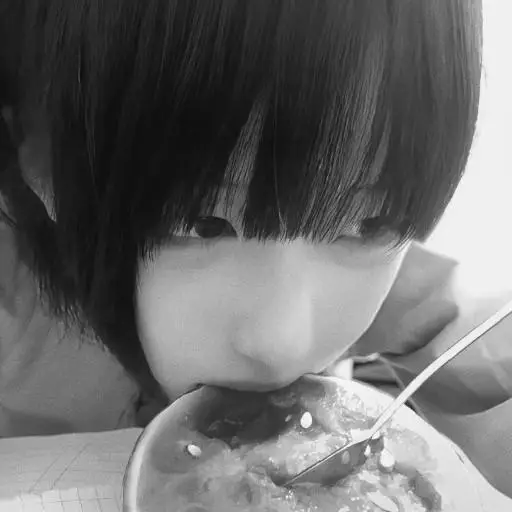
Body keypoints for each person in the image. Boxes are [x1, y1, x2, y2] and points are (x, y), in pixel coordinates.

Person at [1, 0, 511, 498]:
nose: (280, 345)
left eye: (365, 221)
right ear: (44, 165)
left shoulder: (382, 272)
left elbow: (481, 340)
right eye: (203, 223)